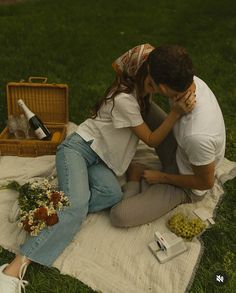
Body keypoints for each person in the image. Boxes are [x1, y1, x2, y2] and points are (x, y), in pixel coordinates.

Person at [0, 43, 196, 292]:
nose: (154, 91)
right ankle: (15, 266)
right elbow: (152, 140)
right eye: (151, 86)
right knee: (79, 204)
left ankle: (47, 207)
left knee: (111, 195)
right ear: (139, 75)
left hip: (100, 159)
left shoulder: (138, 89)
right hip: (78, 150)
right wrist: (175, 113)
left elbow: (153, 59)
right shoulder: (125, 99)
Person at [110, 45, 226, 228]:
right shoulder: (186, 82)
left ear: (162, 87)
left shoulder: (197, 135)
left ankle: (134, 175)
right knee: (138, 105)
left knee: (119, 216)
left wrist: (162, 177)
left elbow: (206, 182)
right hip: (179, 149)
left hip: (186, 183)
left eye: (150, 76)